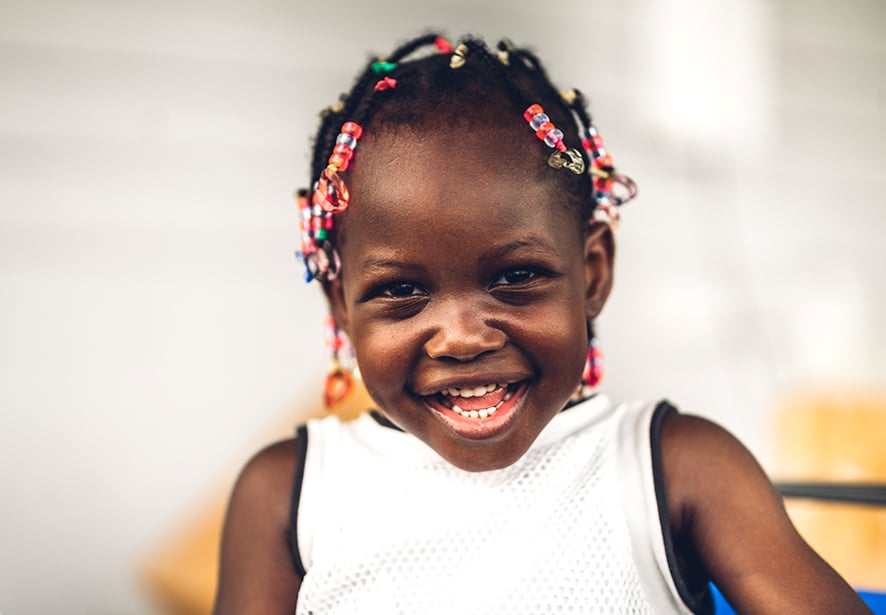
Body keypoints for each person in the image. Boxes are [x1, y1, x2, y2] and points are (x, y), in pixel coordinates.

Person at [212, 33, 872, 614]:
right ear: (341, 306)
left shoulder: (677, 467)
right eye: (403, 289)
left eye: (514, 277)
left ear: (592, 273)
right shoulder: (287, 495)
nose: (463, 336)